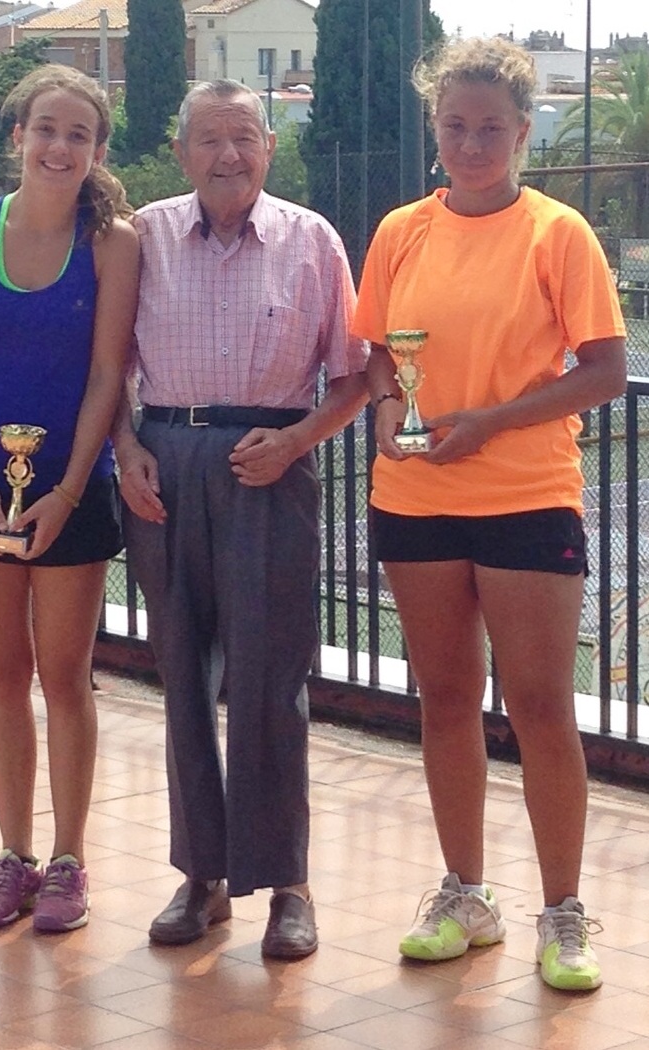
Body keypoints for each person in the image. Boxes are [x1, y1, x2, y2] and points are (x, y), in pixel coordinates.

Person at [353, 37, 626, 992]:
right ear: (436, 127)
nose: (471, 145)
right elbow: (380, 351)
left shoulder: (558, 234)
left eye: (491, 130)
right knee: (443, 705)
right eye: (455, 126)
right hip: (416, 498)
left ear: (521, 133)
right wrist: (391, 407)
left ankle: (564, 913)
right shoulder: (399, 231)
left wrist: (491, 424)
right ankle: (465, 895)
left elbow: (605, 370)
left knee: (545, 709)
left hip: (524, 494)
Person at [113, 79, 367, 959]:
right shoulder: (140, 235)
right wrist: (124, 448)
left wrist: (297, 441)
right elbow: (107, 364)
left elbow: (358, 377)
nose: (228, 155)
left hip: (272, 466)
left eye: (245, 138)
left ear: (269, 147)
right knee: (181, 674)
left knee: (270, 684)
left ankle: (287, 885)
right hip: (162, 465)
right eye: (210, 140)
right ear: (182, 152)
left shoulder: (313, 241)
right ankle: (203, 876)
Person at [0, 65, 140, 933]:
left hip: (71, 495)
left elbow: (104, 376)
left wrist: (71, 487)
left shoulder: (114, 243)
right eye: (46, 129)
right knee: (2, 673)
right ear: (18, 136)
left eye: (78, 135)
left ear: (96, 150)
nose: (59, 147)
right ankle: (12, 856)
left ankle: (69, 863)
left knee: (64, 677)